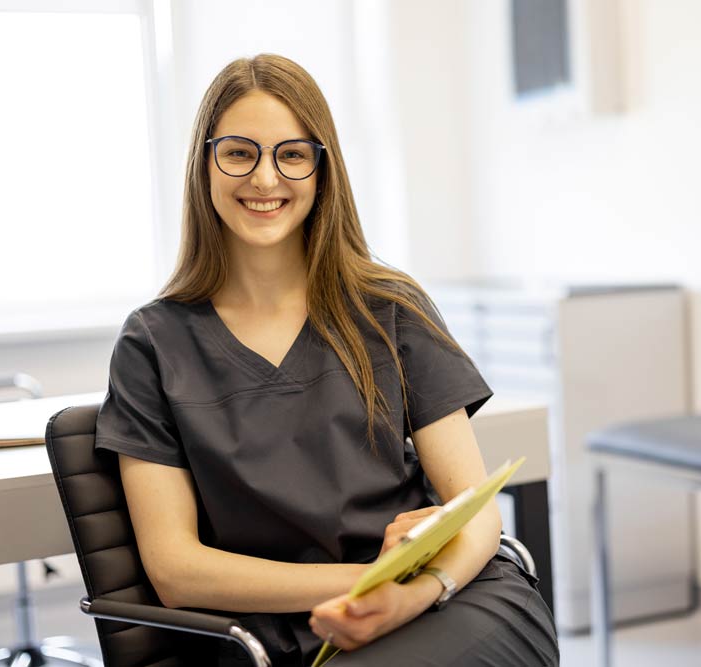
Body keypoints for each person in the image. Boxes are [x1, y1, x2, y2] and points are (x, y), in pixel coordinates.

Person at [94, 53, 558, 666]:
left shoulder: (390, 307)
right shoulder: (152, 344)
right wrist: (364, 587)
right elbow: (176, 570)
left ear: (321, 170)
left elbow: (475, 513)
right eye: (238, 152)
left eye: (291, 154)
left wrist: (416, 590)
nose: (264, 179)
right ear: (203, 164)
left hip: (452, 599)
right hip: (280, 633)